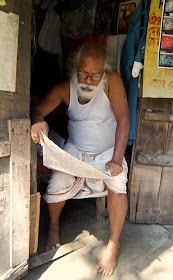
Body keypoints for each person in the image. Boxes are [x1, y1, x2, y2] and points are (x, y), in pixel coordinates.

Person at [31, 43, 130, 276]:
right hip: (75, 151)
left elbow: (124, 119)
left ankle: (113, 244)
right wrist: (37, 121)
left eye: (96, 75)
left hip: (108, 152)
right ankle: (54, 227)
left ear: (104, 73)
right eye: (83, 73)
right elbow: (38, 109)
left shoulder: (112, 80)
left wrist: (117, 158)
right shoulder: (66, 88)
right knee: (57, 182)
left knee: (118, 185)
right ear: (74, 68)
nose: (88, 79)